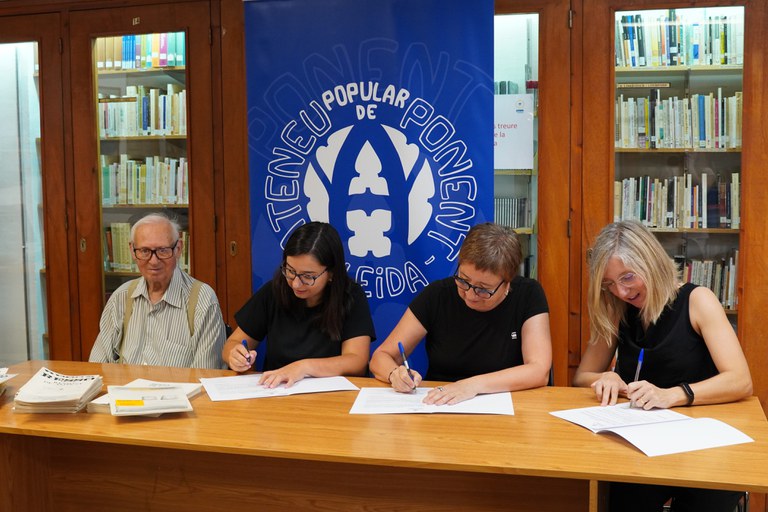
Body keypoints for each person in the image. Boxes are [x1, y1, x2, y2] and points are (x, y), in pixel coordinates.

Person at [573, 220, 753, 512]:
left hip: (704, 442)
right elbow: (583, 376)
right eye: (609, 284)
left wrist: (672, 395)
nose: (621, 292)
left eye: (628, 277)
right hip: (641, 441)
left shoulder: (698, 300)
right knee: (616, 496)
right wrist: (607, 377)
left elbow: (740, 381)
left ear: (651, 262)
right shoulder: (617, 308)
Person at [369, 222, 552, 405]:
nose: (470, 295)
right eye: (464, 280)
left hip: (509, 407)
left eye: (483, 289)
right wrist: (395, 374)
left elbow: (539, 370)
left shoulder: (528, 295)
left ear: (507, 283)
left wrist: (472, 386)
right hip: (440, 406)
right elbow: (381, 356)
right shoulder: (438, 295)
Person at [222, 221, 375, 387]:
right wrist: (235, 355)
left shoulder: (350, 296)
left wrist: (303, 367)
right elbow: (232, 343)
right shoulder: (274, 291)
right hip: (277, 392)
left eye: (308, 276)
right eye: (290, 271)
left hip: (331, 395)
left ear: (331, 273)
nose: (295, 283)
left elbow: (356, 361)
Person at [89, 213, 226, 368]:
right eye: (145, 251)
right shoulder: (121, 298)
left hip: (179, 385)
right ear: (132, 251)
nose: (154, 261)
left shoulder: (202, 300)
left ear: (178, 249)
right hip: (125, 384)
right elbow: (97, 367)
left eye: (162, 250)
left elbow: (205, 374)